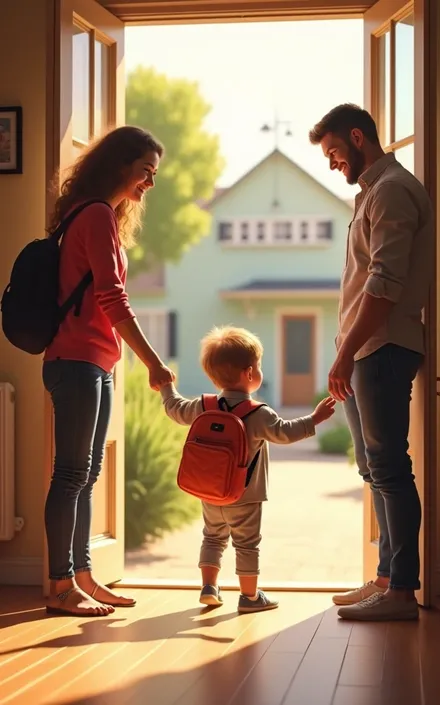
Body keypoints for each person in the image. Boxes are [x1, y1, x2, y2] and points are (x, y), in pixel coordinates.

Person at [43, 126, 175, 617]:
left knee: (86, 473)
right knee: (71, 474)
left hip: (94, 360)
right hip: (76, 360)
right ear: (121, 165)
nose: (150, 183)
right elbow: (111, 296)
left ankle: (82, 577)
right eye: (146, 171)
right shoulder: (95, 214)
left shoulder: (100, 216)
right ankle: (60, 586)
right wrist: (154, 362)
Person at [309, 104, 433, 621]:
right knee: (373, 468)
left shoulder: (392, 191)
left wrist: (341, 354)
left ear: (358, 138)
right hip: (364, 349)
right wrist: (346, 352)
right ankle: (385, 579)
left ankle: (402, 592)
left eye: (335, 152)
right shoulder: (370, 196)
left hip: (382, 346)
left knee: (389, 467)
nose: (333, 163)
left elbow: (383, 286)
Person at [160, 325, 336, 613]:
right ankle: (250, 597)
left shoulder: (203, 406)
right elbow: (286, 433)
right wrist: (315, 418)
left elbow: (174, 408)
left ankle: (209, 587)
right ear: (250, 373)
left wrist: (166, 385)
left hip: (210, 491)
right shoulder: (258, 413)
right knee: (247, 544)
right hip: (246, 495)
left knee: (212, 537)